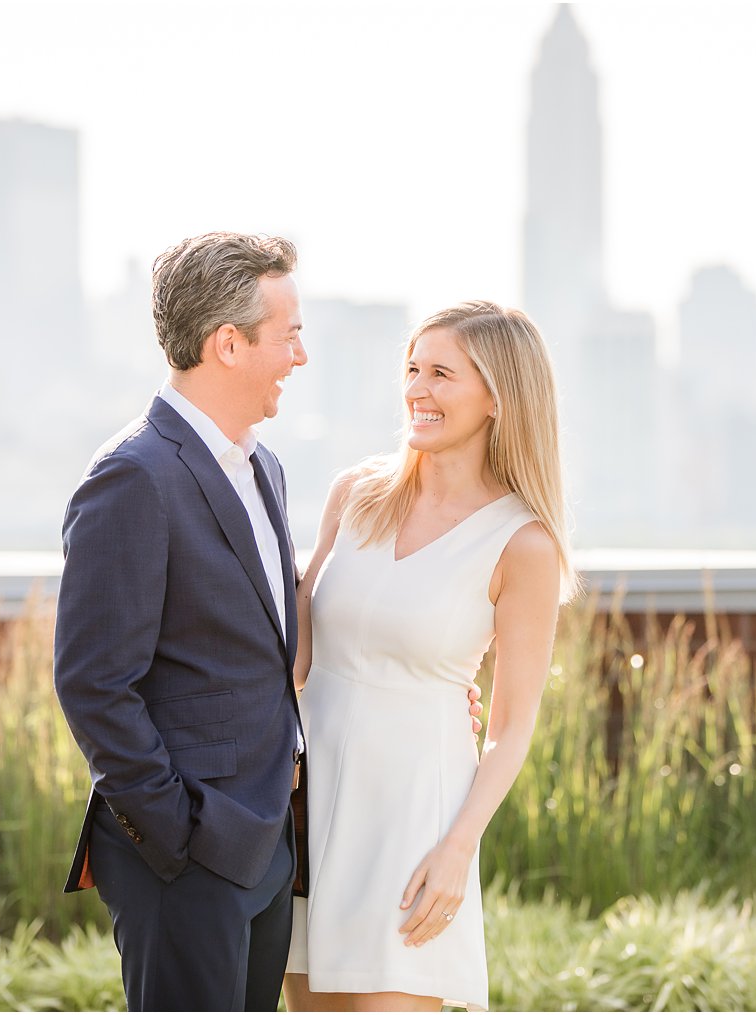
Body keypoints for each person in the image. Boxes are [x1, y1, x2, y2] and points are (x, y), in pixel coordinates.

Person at [53, 232, 482, 1012]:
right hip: (188, 856)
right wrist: (177, 833)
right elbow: (92, 684)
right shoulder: (133, 476)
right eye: (288, 334)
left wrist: (411, 681)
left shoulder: (264, 468)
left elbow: (274, 640)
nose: (300, 355)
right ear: (228, 344)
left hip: (267, 849)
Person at [284, 301, 577, 1012]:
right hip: (305, 811)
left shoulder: (523, 544)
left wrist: (457, 851)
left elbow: (509, 724)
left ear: (498, 397)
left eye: (441, 373)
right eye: (413, 368)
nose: (418, 387)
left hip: (416, 821)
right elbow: (294, 655)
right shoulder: (354, 495)